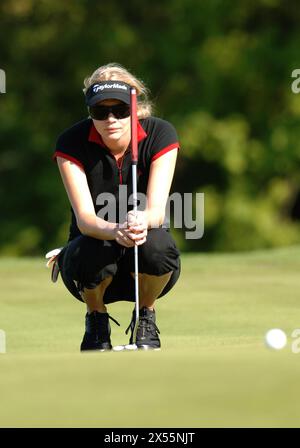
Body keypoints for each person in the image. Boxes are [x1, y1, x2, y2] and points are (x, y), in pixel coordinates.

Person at [53, 63, 181, 351]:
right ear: (90, 112)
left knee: (157, 243)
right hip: (91, 263)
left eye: (120, 110)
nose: (111, 119)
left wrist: (139, 222)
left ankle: (145, 314)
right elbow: (85, 219)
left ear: (134, 107)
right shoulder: (71, 143)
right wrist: (115, 230)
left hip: (146, 260)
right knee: (90, 247)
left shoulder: (161, 134)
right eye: (100, 111)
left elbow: (157, 211)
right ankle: (96, 318)